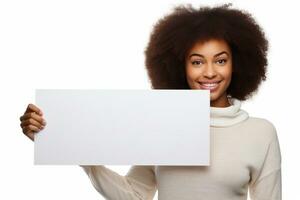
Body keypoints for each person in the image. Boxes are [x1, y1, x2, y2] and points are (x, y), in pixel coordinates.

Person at [19, 3, 281, 200]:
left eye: (220, 60)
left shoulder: (260, 133)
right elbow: (134, 194)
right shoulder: (163, 123)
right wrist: (66, 144)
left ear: (238, 65)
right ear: (181, 67)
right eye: (197, 61)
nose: (210, 72)